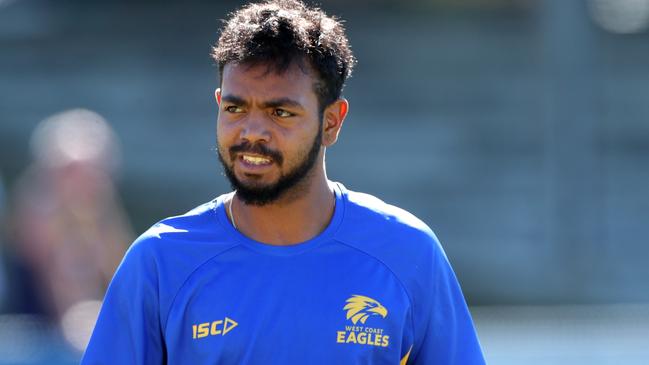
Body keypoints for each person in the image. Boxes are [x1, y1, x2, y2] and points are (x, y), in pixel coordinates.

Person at [82, 0, 485, 364]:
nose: (251, 132)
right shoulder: (160, 262)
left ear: (332, 122)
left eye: (280, 113)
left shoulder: (407, 253)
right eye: (235, 108)